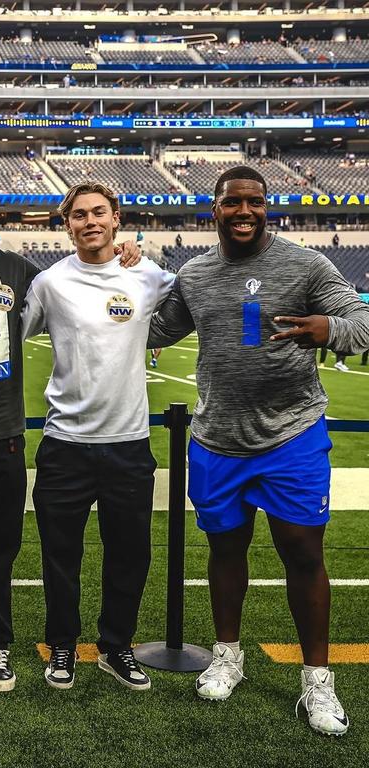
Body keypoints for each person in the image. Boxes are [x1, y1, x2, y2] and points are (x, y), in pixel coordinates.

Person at [148, 166, 369, 736]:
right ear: (213, 210)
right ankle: (228, 655)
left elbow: (363, 320)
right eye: (232, 203)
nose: (244, 211)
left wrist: (331, 329)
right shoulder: (194, 274)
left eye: (254, 202)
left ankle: (317, 679)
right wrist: (122, 276)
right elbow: (153, 331)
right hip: (217, 437)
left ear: (267, 207)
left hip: (290, 435)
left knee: (303, 553)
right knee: (225, 551)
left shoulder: (307, 263)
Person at [0, 177, 141, 692]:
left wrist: (127, 254)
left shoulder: (23, 273)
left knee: (0, 548)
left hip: (2, 436)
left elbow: (86, 282)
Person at [22, 182, 174, 691]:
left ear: (116, 219)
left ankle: (116, 646)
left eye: (99, 213)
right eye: (79, 215)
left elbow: (190, 302)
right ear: (67, 225)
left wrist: (143, 252)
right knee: (60, 555)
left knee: (129, 554)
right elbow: (8, 335)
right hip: (64, 442)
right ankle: (62, 644)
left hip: (128, 443)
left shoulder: (146, 274)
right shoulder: (49, 282)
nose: (89, 221)